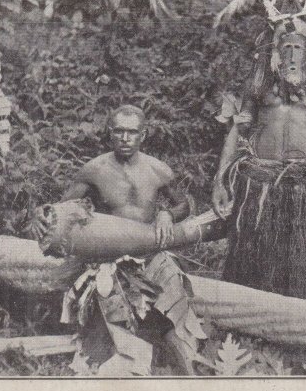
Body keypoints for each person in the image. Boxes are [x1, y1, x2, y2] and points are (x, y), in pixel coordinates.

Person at [212, 0, 306, 298]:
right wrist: (219, 181)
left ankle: (296, 319)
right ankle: (244, 315)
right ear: (275, 53)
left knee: (297, 262)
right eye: (286, 48)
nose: (292, 55)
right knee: (250, 256)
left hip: (300, 184)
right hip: (257, 182)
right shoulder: (259, 89)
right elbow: (237, 130)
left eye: (298, 48)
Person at [55, 104, 205, 375]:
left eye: (132, 132)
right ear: (110, 134)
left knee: (175, 314)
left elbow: (184, 205)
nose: (125, 139)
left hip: (150, 253)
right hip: (108, 258)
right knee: (116, 325)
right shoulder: (94, 170)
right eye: (119, 132)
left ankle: (187, 370)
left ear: (143, 135)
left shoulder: (158, 170)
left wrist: (166, 214)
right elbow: (63, 210)